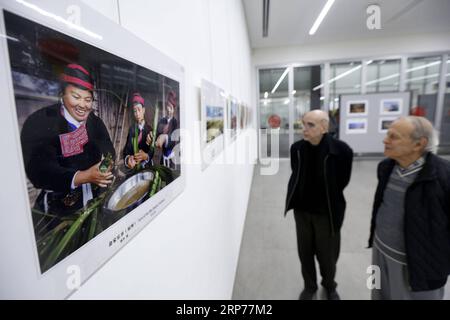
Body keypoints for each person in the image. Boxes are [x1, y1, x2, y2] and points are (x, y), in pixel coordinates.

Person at [368, 116, 450, 300]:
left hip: (417, 265)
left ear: (419, 144)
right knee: (377, 293)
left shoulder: (444, 176)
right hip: (379, 252)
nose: (385, 140)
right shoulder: (386, 167)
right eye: (387, 134)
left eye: (393, 136)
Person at [21, 63, 115, 219]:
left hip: (95, 198)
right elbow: (38, 170)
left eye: (88, 99)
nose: (82, 105)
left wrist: (104, 168)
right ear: (62, 94)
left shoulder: (95, 122)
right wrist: (83, 176)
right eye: (76, 97)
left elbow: (108, 149)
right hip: (60, 209)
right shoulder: (41, 121)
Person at [284, 109, 353, 300]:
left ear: (324, 127)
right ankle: (310, 286)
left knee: (328, 256)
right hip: (302, 212)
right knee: (305, 253)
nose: (304, 129)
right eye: (303, 124)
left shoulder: (342, 151)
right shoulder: (296, 149)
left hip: (327, 212)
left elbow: (342, 182)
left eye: (310, 125)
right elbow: (295, 174)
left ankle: (330, 285)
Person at [122, 92, 154, 170]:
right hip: (134, 168)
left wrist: (146, 156)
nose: (137, 114)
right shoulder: (132, 129)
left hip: (147, 167)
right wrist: (128, 159)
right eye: (134, 111)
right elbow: (126, 150)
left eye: (139, 110)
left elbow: (153, 150)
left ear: (143, 110)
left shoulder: (150, 130)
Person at [156, 90, 179, 168]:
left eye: (171, 107)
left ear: (174, 109)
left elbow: (174, 139)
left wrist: (165, 137)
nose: (169, 110)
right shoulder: (162, 120)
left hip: (172, 157)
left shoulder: (175, 123)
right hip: (163, 156)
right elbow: (157, 133)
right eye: (168, 107)